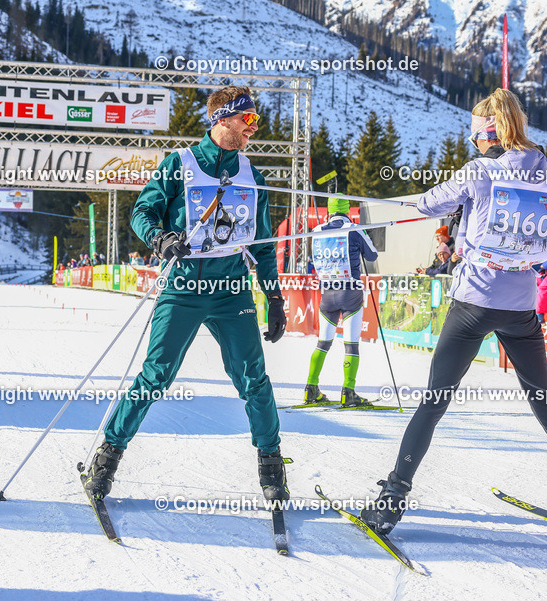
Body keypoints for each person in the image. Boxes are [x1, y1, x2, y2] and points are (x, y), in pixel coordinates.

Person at [360, 89, 547, 541]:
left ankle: (389, 503)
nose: (473, 142)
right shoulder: (544, 170)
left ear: (487, 132)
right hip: (521, 307)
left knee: (434, 403)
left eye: (475, 133)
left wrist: (409, 202)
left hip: (475, 303)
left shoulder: (479, 171)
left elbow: (429, 203)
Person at [82, 85, 290, 504]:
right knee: (156, 376)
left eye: (255, 120)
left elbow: (264, 245)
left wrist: (275, 299)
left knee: (253, 380)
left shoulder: (253, 175)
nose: (254, 127)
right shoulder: (181, 164)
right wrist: (161, 239)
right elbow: (142, 212)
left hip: (231, 291)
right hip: (183, 287)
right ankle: (107, 457)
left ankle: (271, 464)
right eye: (247, 119)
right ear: (222, 120)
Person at [304, 196, 379, 407]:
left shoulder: (317, 230)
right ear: (347, 210)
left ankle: (311, 388)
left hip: (327, 292)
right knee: (351, 345)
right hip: (350, 292)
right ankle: (349, 392)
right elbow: (372, 256)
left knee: (323, 342)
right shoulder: (354, 228)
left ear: (329, 211)